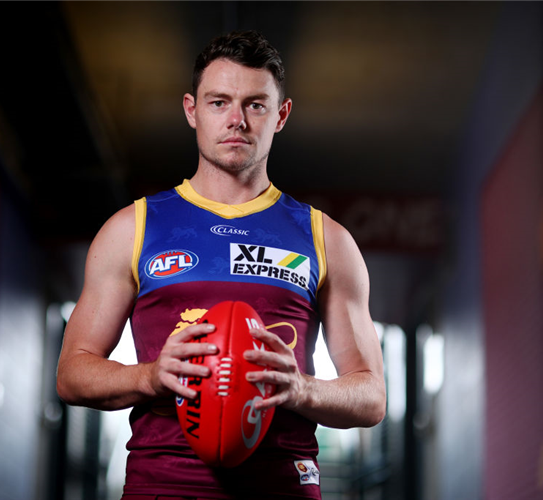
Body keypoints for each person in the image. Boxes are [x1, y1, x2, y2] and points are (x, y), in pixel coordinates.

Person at [57, 30, 386, 500]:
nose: (237, 120)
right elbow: (72, 373)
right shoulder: (133, 227)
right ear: (192, 110)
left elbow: (371, 396)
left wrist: (300, 388)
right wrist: (149, 376)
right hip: (164, 484)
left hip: (282, 484)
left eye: (255, 104)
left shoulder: (326, 238)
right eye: (219, 103)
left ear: (281, 114)